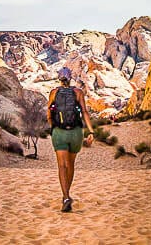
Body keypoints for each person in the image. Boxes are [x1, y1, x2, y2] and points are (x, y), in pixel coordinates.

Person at [47, 67, 94, 212]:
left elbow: (49, 112)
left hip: (59, 132)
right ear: (71, 78)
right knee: (71, 164)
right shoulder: (78, 92)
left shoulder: (54, 93)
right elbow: (85, 112)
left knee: (62, 166)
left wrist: (53, 126)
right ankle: (68, 192)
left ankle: (66, 197)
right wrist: (91, 131)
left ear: (59, 79)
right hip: (76, 133)